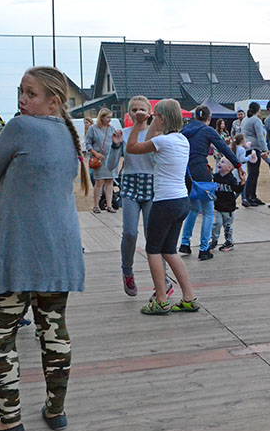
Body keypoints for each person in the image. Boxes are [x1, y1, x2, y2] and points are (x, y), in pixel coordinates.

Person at [0, 66, 91, 431]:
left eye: (31, 94)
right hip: (59, 254)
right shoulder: (69, 135)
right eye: (21, 92)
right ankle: (55, 411)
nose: (22, 100)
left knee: (1, 338)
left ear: (53, 101)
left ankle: (10, 420)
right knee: (54, 333)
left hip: (17, 254)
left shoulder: (20, 128)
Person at [126, 98, 200, 315]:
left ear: (163, 118)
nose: (153, 119)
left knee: (153, 250)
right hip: (181, 201)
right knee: (169, 250)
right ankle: (189, 297)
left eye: (156, 116)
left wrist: (138, 125)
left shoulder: (164, 141)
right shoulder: (181, 140)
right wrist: (150, 125)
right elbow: (152, 144)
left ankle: (160, 299)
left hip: (165, 202)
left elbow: (132, 148)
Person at [110, 96, 172, 298]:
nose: (138, 112)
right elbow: (111, 166)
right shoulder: (124, 133)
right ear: (129, 113)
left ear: (149, 113)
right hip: (130, 183)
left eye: (142, 109)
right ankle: (127, 270)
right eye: (134, 109)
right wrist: (115, 146)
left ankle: (162, 281)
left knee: (152, 235)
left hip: (152, 185)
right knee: (130, 233)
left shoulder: (158, 134)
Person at [179, 106, 244, 261]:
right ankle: (204, 248)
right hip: (202, 173)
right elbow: (224, 148)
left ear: (194, 116)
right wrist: (238, 165)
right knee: (208, 211)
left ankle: (185, 243)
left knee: (193, 209)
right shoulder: (208, 131)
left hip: (186, 174)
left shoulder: (184, 131)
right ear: (209, 118)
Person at [85, 108, 120, 213]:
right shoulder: (93, 129)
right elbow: (87, 143)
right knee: (99, 182)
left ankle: (109, 205)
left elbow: (116, 142)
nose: (110, 119)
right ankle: (96, 205)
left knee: (109, 181)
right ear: (102, 117)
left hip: (110, 160)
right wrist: (95, 153)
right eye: (108, 117)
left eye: (110, 117)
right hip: (99, 160)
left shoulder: (112, 129)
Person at [210, 157, 244, 251]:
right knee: (216, 224)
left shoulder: (231, 179)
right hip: (217, 207)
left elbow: (237, 189)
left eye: (223, 162)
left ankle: (229, 242)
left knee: (227, 226)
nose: (219, 163)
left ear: (229, 168)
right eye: (220, 161)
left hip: (228, 208)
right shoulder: (215, 177)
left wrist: (242, 182)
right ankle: (214, 241)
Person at [241, 101, 269, 206]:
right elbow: (260, 137)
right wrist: (265, 149)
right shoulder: (256, 120)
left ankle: (251, 195)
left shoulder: (245, 119)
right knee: (253, 173)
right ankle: (249, 196)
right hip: (255, 148)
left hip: (247, 147)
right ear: (258, 110)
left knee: (252, 172)